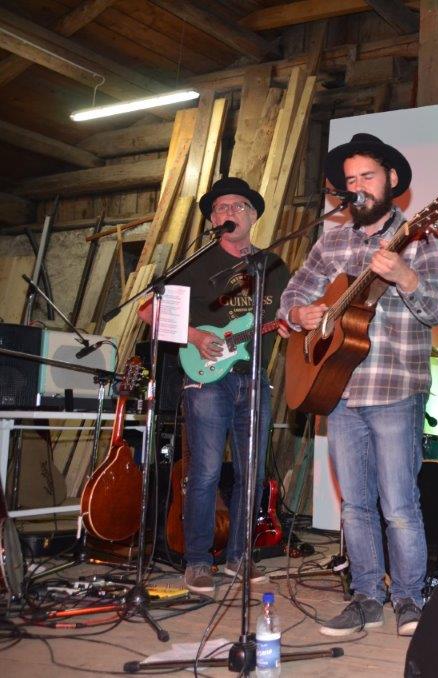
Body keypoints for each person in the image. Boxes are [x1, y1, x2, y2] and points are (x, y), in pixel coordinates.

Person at [277, 133, 438, 638]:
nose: (358, 187)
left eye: (367, 176)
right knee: (354, 507)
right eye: (350, 180)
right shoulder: (331, 241)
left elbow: (437, 309)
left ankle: (410, 600)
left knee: (398, 506)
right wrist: (300, 314)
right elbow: (293, 296)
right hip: (337, 391)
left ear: (392, 180)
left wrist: (405, 276)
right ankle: (366, 598)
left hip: (394, 387)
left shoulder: (419, 238)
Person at [139, 177, 290, 594]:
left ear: (253, 216)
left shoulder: (273, 266)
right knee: (204, 472)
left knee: (251, 474)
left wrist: (291, 325)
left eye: (239, 206)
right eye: (221, 208)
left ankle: (239, 558)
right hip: (206, 379)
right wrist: (195, 336)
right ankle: (199, 561)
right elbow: (148, 312)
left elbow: (289, 314)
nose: (230, 212)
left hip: (253, 377)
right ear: (212, 220)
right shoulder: (196, 263)